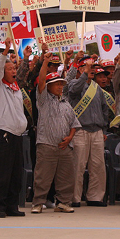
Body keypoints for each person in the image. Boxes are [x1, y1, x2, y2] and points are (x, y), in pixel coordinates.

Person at [30, 53, 81, 214]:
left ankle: (63, 202)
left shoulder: (66, 103)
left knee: (66, 177)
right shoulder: (43, 100)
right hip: (47, 144)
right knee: (42, 177)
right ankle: (38, 202)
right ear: (49, 86)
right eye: (56, 84)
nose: (60, 87)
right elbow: (42, 79)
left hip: (65, 146)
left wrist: (70, 137)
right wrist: (45, 62)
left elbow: (74, 123)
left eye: (61, 84)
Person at [0, 37, 28, 218]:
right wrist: (4, 52)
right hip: (3, 133)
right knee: (1, 172)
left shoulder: (16, 88)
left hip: (17, 135)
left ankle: (12, 206)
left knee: (15, 173)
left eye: (14, 68)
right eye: (10, 68)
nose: (14, 70)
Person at [68, 58, 109, 208]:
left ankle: (95, 197)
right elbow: (73, 91)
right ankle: (75, 197)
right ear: (80, 69)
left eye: (93, 68)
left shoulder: (96, 88)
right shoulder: (74, 83)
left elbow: (104, 109)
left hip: (97, 130)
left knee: (98, 166)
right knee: (78, 165)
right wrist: (85, 74)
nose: (92, 70)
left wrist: (104, 129)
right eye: (88, 67)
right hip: (80, 130)